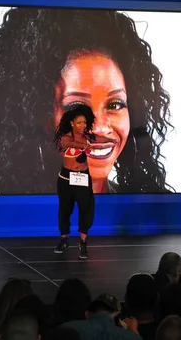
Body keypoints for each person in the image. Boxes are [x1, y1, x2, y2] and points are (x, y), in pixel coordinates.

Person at [0, 7, 174, 195]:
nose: (99, 127)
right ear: (38, 115)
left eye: (115, 105)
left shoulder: (144, 220)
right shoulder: (10, 221)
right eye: (77, 108)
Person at [53, 104, 117, 259]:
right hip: (66, 179)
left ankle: (83, 242)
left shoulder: (88, 137)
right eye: (79, 123)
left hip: (82, 178)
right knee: (65, 210)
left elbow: (100, 139)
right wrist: (85, 145)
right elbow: (70, 145)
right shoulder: (66, 137)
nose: (83, 126)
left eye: (85, 123)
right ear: (72, 123)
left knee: (86, 209)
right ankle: (64, 239)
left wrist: (110, 139)